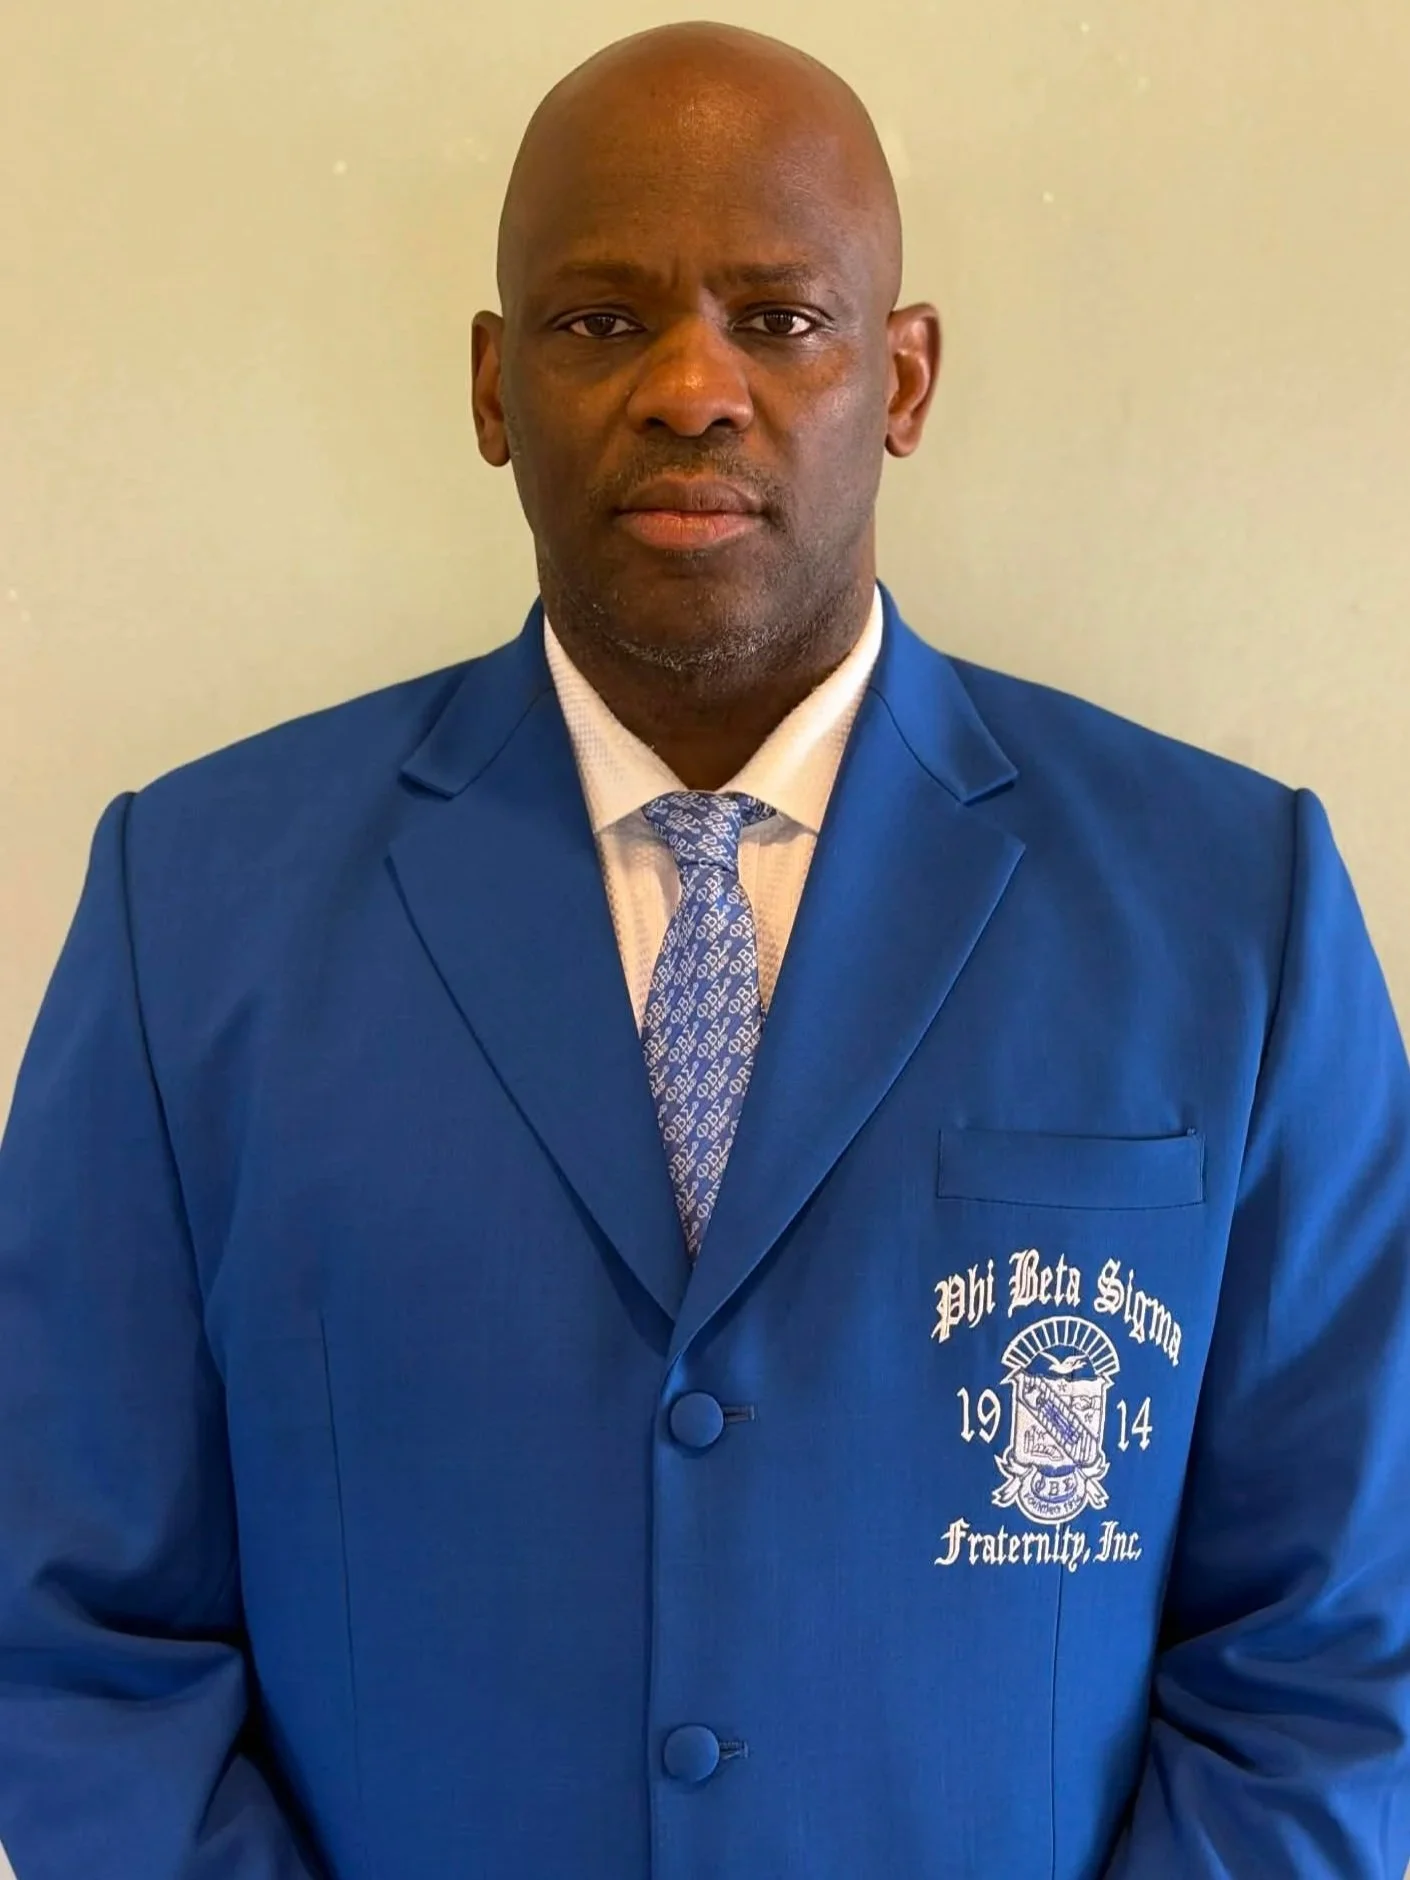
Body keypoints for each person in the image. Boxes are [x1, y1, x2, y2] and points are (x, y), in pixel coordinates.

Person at [0, 20, 1407, 1880]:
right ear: (494, 386)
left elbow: (1337, 1652)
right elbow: (70, 1640)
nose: (690, 387)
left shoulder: (1235, 910)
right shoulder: (194, 905)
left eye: (779, 315)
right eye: (598, 322)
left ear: (901, 378)